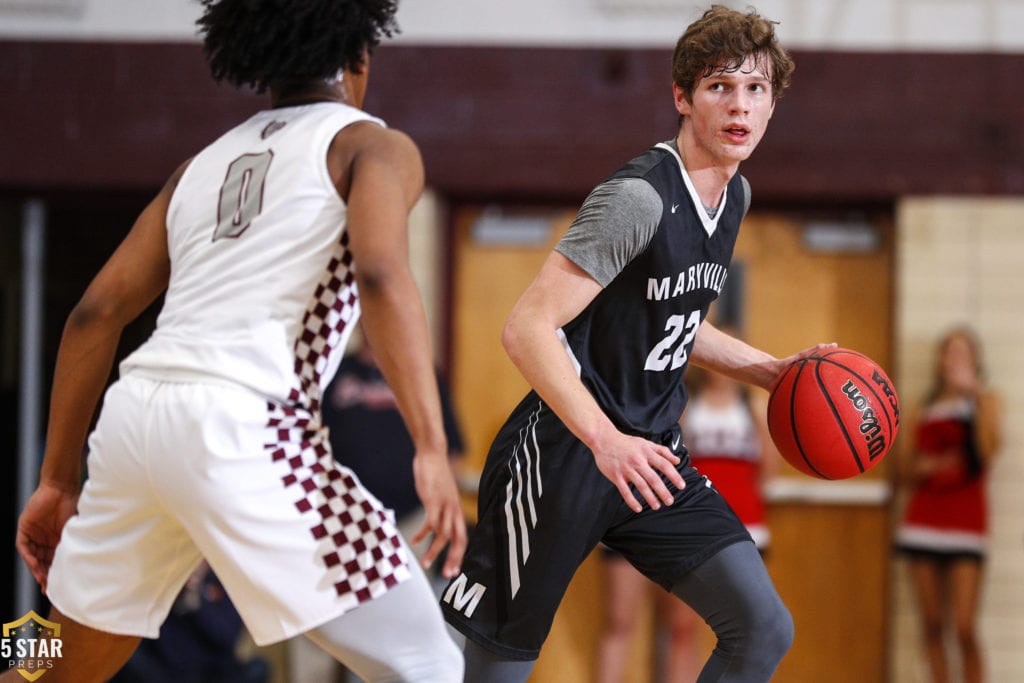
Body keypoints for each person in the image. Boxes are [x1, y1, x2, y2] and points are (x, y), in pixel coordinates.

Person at [8, 2, 466, 682]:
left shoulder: (199, 166)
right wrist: (430, 444)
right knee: (431, 665)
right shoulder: (372, 145)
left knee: (56, 663)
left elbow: (93, 313)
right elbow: (378, 270)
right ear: (359, 59)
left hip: (133, 421)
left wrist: (55, 478)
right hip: (244, 426)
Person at [440, 6, 832, 682]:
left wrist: (768, 370)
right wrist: (603, 438)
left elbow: (673, 319)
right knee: (498, 668)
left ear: (772, 104)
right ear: (681, 97)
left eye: (756, 89)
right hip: (566, 451)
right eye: (718, 86)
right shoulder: (638, 199)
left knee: (761, 626)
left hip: (650, 453)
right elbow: (527, 327)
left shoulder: (732, 195)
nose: (739, 105)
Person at [597, 361, 777, 683]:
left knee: (692, 627)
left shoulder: (752, 407)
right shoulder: (685, 405)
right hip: (650, 514)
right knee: (621, 621)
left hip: (717, 524)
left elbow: (768, 472)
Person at [894, 326, 1002, 683]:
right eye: (949, 352)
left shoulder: (987, 400)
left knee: (965, 627)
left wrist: (974, 395)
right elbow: (903, 472)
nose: (954, 360)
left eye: (962, 353)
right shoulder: (921, 407)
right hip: (923, 520)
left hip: (966, 523)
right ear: (940, 360)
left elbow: (988, 452)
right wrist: (923, 467)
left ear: (974, 360)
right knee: (932, 624)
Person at [324, 333, 466, 576]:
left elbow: (451, 447)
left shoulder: (421, 374)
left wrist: (444, 512)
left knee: (410, 592)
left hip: (415, 517)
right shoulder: (336, 370)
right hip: (348, 516)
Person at [110, 562, 270, 683]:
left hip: (210, 671)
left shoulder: (224, 585)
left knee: (258, 668)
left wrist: (197, 604)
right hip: (164, 669)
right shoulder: (162, 581)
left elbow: (227, 636)